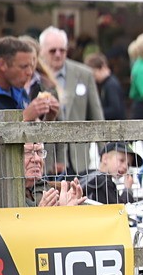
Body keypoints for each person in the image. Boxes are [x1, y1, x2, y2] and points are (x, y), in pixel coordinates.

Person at [39, 27, 105, 174]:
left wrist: (105, 153)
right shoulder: (35, 76)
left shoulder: (84, 74)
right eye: (52, 50)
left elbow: (97, 116)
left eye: (62, 50)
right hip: (46, 159)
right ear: (42, 51)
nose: (58, 54)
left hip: (78, 158)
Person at [0, 37, 60, 121]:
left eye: (31, 66)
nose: (30, 72)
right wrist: (24, 117)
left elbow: (32, 132)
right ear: (2, 64)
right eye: (24, 66)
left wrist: (48, 119)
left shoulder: (19, 90)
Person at [22, 143, 85, 207]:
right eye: (28, 153)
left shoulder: (49, 189)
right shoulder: (12, 196)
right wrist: (40, 214)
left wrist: (64, 210)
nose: (37, 159)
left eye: (40, 152)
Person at [87, 53, 127, 121]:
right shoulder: (106, 84)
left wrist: (94, 112)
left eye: (94, 73)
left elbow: (115, 110)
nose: (93, 77)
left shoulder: (111, 85)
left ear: (102, 67)